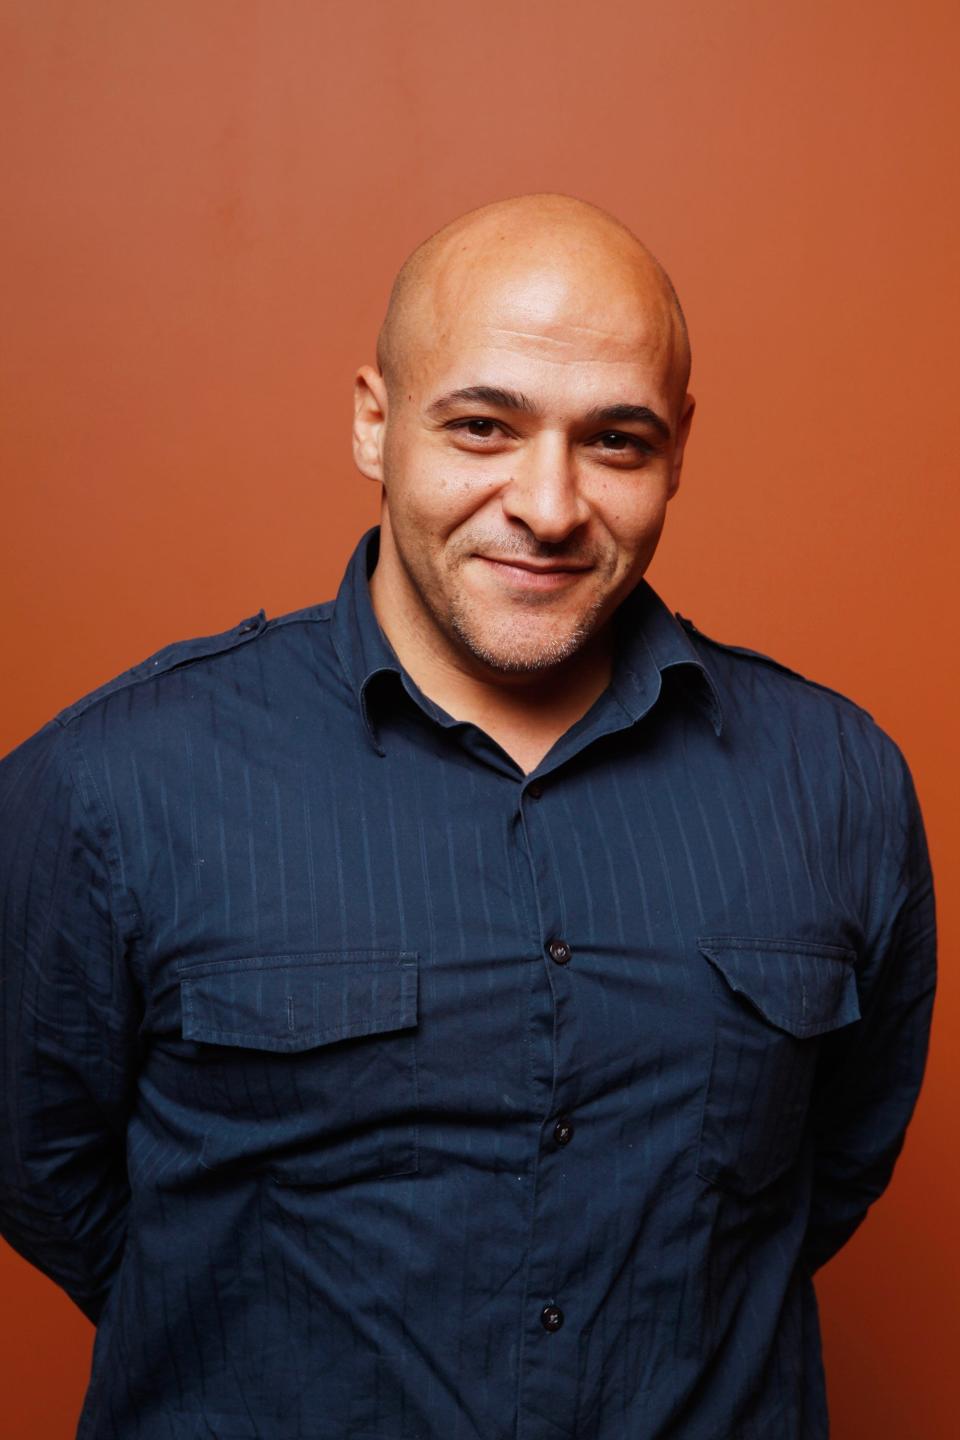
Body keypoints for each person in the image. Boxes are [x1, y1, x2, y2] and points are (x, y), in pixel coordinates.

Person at [0, 194, 936, 1440]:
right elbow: (45, 1172)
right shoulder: (111, 782)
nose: (548, 507)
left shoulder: (838, 782)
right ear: (374, 423)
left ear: (680, 447)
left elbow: (833, 1167)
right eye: (484, 426)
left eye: (615, 441)